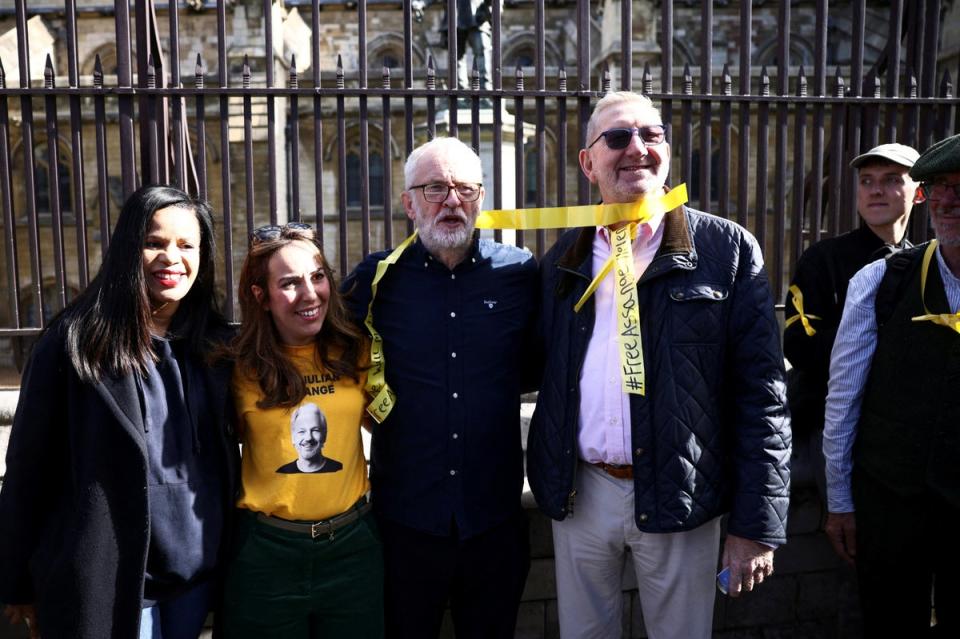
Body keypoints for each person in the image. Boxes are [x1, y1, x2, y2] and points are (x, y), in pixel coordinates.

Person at [527, 91, 791, 639]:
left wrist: (757, 524)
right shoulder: (564, 259)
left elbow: (763, 395)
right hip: (582, 495)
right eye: (619, 138)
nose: (638, 150)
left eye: (652, 135)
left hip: (683, 494)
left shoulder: (727, 251)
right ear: (588, 162)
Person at [0, 185, 238, 639]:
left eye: (187, 245)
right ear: (130, 247)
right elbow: (28, 469)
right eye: (155, 242)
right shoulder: (73, 343)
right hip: (112, 581)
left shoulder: (215, 345)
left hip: (196, 580)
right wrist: (16, 579)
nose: (172, 258)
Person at [342, 136, 538, 639]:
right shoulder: (376, 280)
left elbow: (544, 365)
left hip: (493, 521)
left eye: (464, 189)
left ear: (481, 197)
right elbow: (324, 352)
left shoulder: (519, 274)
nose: (451, 201)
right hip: (405, 523)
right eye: (434, 189)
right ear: (408, 202)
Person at [823, 133, 960, 637]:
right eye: (939, 186)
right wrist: (840, 500)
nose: (947, 201)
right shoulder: (880, 281)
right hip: (891, 505)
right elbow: (844, 400)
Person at [221, 222, 382, 638]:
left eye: (317, 277)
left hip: (352, 548)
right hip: (267, 554)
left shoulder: (357, 352)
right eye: (290, 283)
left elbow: (391, 424)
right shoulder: (236, 367)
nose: (310, 295)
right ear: (262, 296)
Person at [784, 143, 919, 452]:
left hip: (902, 430)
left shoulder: (926, 264)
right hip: (829, 427)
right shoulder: (822, 259)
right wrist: (880, 328)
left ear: (920, 192)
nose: (876, 190)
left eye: (891, 179)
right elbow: (798, 345)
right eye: (867, 181)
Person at [276, 403, 344, 474]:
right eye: (302, 431)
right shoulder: (282, 472)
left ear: (324, 436)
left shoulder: (339, 469)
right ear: (293, 437)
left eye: (315, 430)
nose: (308, 438)